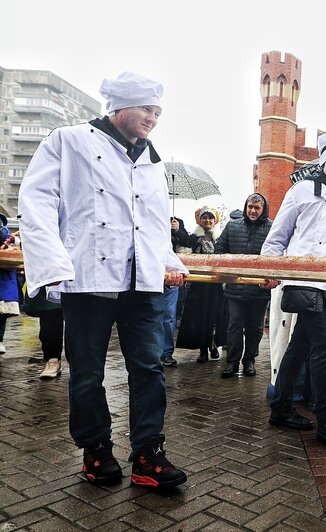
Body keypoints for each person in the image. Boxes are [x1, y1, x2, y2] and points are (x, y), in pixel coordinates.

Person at [18, 71, 188, 489]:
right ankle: (95, 450)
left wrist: (170, 262)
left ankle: (148, 454)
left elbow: (150, 224)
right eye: (147, 109)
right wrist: (53, 261)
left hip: (142, 281)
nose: (153, 117)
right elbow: (36, 199)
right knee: (88, 371)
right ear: (121, 108)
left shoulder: (151, 159)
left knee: (149, 368)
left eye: (158, 111)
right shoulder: (70, 140)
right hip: (88, 278)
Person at [261, 132, 326, 450]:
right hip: (303, 280)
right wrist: (270, 269)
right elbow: (278, 234)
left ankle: (280, 408)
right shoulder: (301, 191)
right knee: (324, 346)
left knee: (299, 346)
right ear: (323, 163)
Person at [214, 193, 272, 378]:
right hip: (235, 289)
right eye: (250, 207)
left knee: (255, 328)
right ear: (246, 207)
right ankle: (232, 362)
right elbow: (219, 249)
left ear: (263, 210)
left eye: (257, 208)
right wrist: (228, 269)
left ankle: (250, 360)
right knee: (235, 326)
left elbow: (276, 254)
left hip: (259, 289)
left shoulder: (272, 228)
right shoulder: (232, 226)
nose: (252, 211)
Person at [175, 207, 226, 363]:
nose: (207, 221)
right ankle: (203, 349)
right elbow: (183, 242)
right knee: (200, 317)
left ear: (215, 220)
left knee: (216, 316)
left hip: (216, 284)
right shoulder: (194, 237)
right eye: (204, 218)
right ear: (200, 220)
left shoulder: (221, 238)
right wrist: (177, 230)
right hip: (199, 285)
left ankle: (214, 345)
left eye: (210, 218)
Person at [160, 216, 191, 367]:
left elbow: (188, 242)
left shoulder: (177, 221)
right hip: (152, 274)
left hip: (172, 274)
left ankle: (166, 352)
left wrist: (178, 230)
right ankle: (152, 352)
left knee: (169, 316)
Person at [0, 213, 19, 355]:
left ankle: (0, 340)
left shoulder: (7, 237)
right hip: (5, 279)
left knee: (2, 312)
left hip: (4, 279)